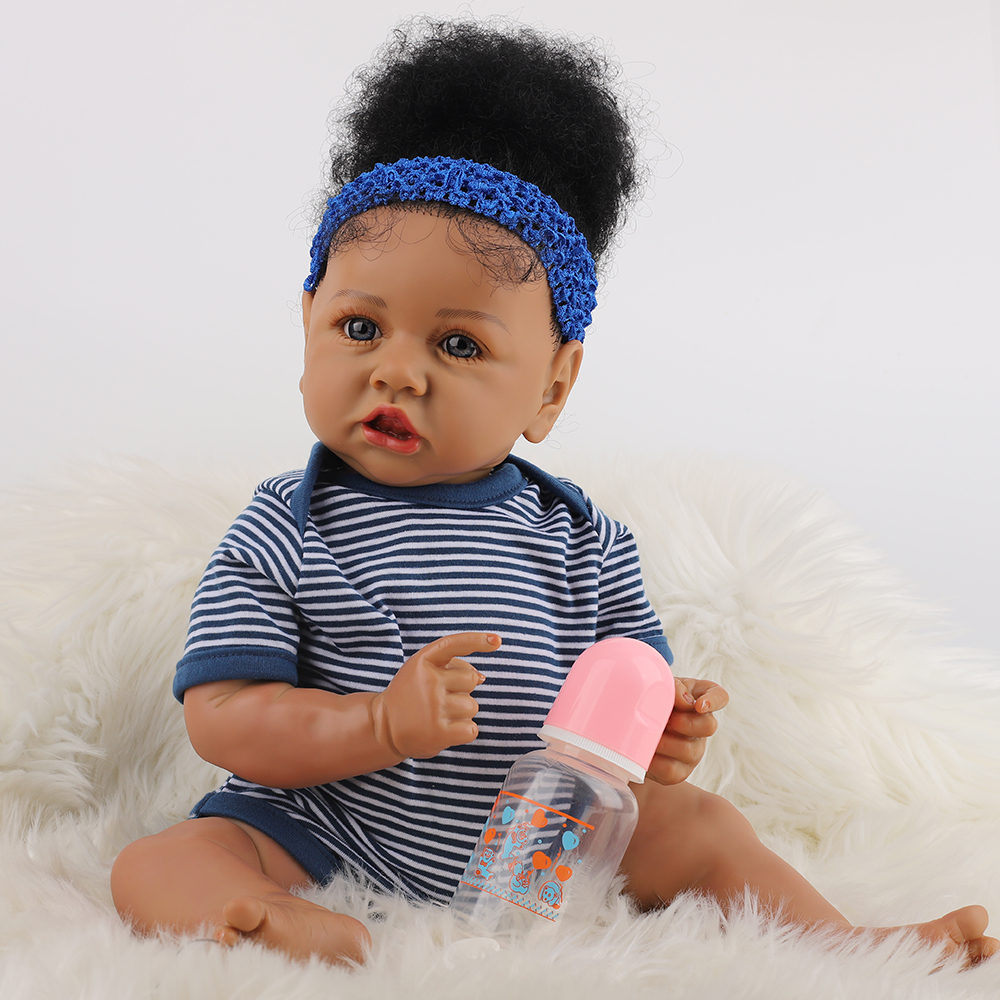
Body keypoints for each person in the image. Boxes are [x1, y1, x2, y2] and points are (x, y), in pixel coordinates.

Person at [110, 18, 997, 968]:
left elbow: (623, 699)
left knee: (701, 824)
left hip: (537, 842)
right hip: (321, 828)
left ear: (552, 389)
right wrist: (377, 724)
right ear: (307, 325)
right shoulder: (285, 526)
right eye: (360, 327)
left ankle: (853, 947)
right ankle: (264, 915)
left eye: (458, 344)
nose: (396, 371)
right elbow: (223, 716)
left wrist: (662, 730)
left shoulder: (582, 539)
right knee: (160, 860)